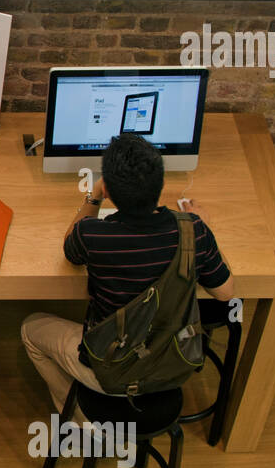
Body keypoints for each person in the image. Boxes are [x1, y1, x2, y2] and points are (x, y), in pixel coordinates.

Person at [21, 133, 234, 414]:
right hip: (172, 361)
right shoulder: (193, 230)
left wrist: (93, 195)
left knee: (30, 328)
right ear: (163, 185)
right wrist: (205, 232)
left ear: (108, 189)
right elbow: (225, 293)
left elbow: (70, 249)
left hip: (111, 369)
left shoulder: (92, 234)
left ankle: (78, 420)